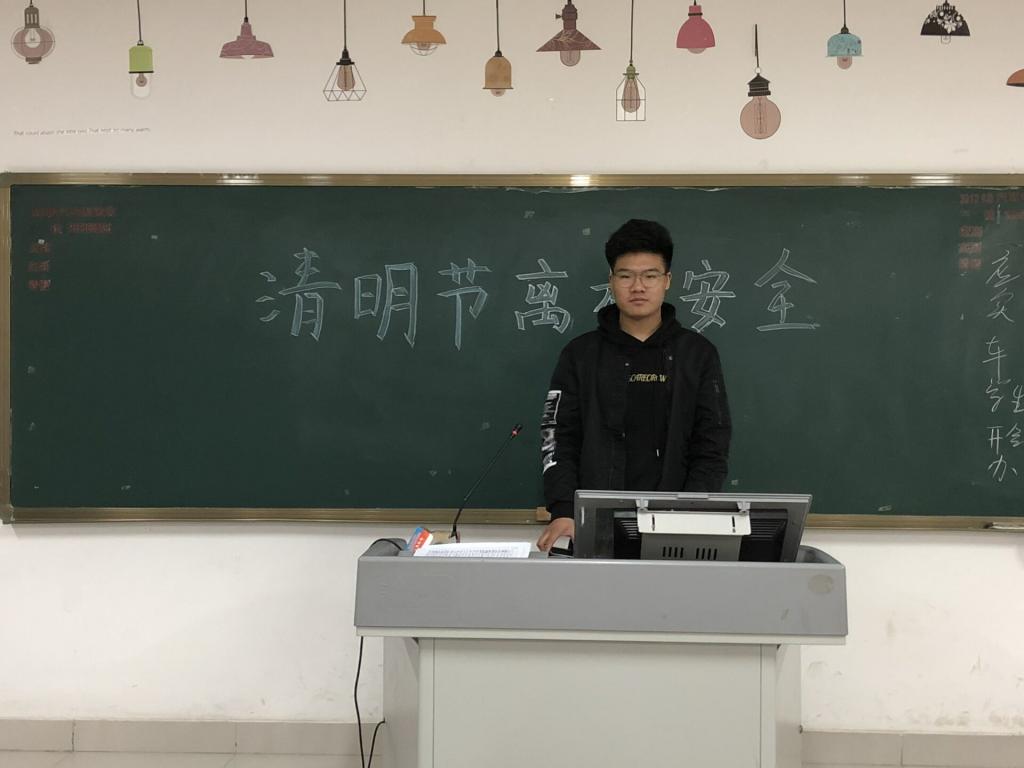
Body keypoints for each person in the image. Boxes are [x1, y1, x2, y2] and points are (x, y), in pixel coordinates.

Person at [536, 218, 732, 551]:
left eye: (650, 276)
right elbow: (557, 436)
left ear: (667, 280)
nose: (638, 287)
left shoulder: (697, 354)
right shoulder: (580, 355)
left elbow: (712, 443)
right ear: (611, 281)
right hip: (592, 526)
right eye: (626, 276)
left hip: (677, 526)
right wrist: (564, 509)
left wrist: (691, 511)